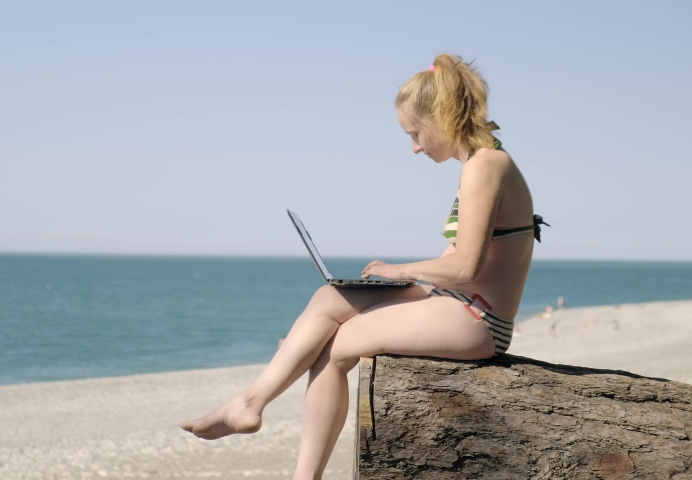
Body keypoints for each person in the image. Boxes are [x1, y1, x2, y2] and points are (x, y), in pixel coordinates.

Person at [180, 53, 547, 479]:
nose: (414, 147)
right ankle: (250, 402)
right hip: (453, 298)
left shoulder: (485, 165)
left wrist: (400, 271)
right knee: (329, 298)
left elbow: (466, 266)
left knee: (338, 346)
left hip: (478, 317)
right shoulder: (480, 161)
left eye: (415, 133)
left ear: (441, 116)